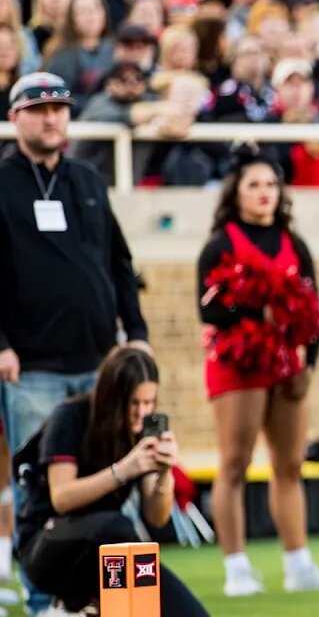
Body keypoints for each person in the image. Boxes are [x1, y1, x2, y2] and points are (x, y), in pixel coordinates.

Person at [0, 72, 150, 614]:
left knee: (116, 479)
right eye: (39, 109)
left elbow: (119, 262)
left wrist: (136, 333)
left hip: (99, 361)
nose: (52, 118)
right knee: (40, 490)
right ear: (15, 117)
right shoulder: (2, 182)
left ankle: (123, 600)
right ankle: (45, 599)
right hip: (33, 366)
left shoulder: (87, 180)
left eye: (60, 109)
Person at [197, 144, 319, 598]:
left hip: (285, 366)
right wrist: (259, 309)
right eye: (254, 185)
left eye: (270, 184)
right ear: (236, 193)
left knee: (289, 463)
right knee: (235, 464)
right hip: (237, 366)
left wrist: (311, 363)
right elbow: (210, 312)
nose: (264, 193)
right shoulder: (220, 244)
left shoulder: (293, 243)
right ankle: (236, 568)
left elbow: (313, 309)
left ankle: (298, 562)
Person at [13, 346, 208, 616]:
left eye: (149, 402)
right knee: (118, 527)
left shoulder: (142, 429)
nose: (142, 412)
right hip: (47, 543)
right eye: (134, 403)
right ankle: (72, 605)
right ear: (112, 397)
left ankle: (93, 608)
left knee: (190, 613)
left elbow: (157, 517)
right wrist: (123, 470)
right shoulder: (71, 416)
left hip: (110, 549)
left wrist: (164, 471)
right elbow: (62, 498)